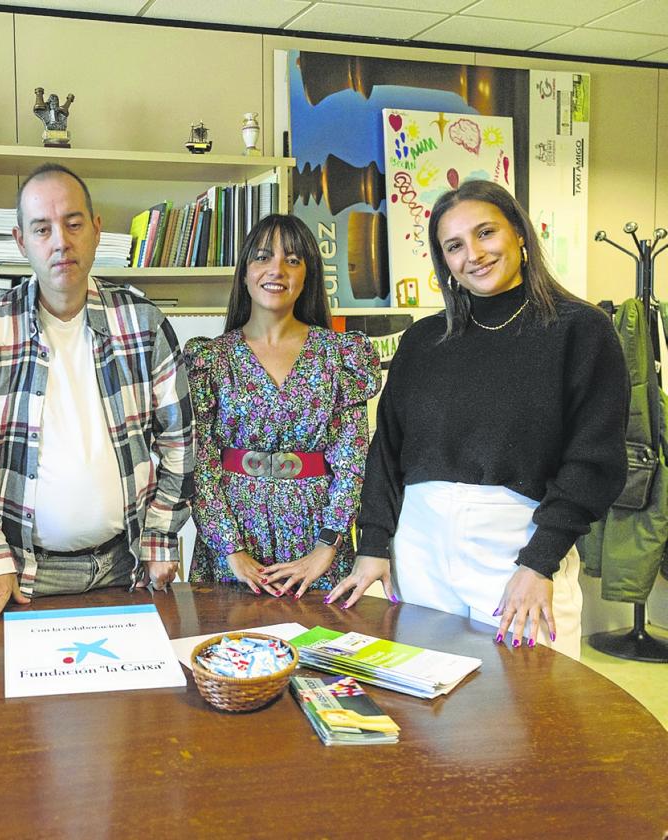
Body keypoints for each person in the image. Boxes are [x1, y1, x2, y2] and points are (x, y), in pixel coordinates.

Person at [328, 179, 628, 659]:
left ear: (519, 234)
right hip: (419, 546)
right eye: (454, 245)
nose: (475, 254)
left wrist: (540, 562)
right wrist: (374, 544)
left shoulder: (581, 329)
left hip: (517, 550)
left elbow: (594, 459)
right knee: (429, 711)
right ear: (444, 261)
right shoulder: (423, 341)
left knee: (529, 710)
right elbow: (385, 450)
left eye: (486, 233)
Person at [0, 163, 194, 621]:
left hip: (129, 565)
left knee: (137, 694)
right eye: (42, 229)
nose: (61, 241)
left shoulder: (144, 324)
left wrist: (161, 536)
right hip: (23, 576)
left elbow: (178, 442)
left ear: (96, 230)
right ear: (22, 242)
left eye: (74, 223)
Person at [187, 214, 380, 596]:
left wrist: (326, 547)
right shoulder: (210, 359)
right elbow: (200, 464)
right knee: (229, 646)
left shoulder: (339, 356)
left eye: (292, 260)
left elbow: (352, 461)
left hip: (316, 542)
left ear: (307, 275)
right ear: (244, 272)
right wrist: (232, 551)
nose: (276, 269)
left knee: (319, 647)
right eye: (262, 257)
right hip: (234, 543)